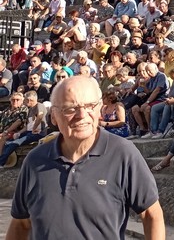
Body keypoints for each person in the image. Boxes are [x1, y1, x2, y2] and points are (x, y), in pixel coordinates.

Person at [7, 76, 164, 239]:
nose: (82, 115)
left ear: (99, 109)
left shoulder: (123, 154)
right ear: (53, 115)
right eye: (70, 108)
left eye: (90, 106)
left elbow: (152, 215)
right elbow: (21, 224)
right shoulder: (35, 161)